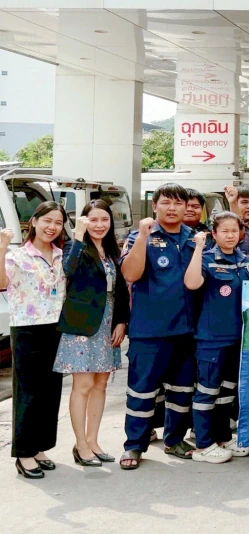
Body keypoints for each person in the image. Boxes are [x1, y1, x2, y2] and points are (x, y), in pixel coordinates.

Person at [118, 183, 198, 470]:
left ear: (186, 207)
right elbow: (130, 273)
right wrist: (142, 236)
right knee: (142, 390)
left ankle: (174, 439)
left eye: (178, 203)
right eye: (166, 202)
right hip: (148, 331)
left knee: (182, 390)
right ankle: (134, 444)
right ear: (154, 206)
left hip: (186, 330)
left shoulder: (194, 238)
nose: (172, 208)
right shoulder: (141, 236)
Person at [53, 200, 130, 467]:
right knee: (83, 386)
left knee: (100, 384)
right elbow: (68, 271)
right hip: (82, 324)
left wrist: (121, 321)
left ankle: (93, 441)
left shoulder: (113, 250)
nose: (99, 225)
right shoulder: (74, 247)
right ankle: (81, 445)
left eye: (104, 220)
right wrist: (78, 234)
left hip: (108, 323)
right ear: (84, 221)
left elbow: (120, 290)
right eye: (93, 220)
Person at [1, 202, 69, 480]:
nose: (52, 227)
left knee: (50, 392)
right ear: (34, 221)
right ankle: (24, 453)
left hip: (56, 327)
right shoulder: (17, 255)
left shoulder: (62, 255)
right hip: (27, 329)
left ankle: (40, 447)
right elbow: (1, 283)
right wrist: (1, 247)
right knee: (28, 392)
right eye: (47, 221)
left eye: (58, 222)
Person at [184, 212, 249, 463]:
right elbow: (192, 283)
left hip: (237, 338)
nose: (230, 235)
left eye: (234, 231)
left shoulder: (244, 261)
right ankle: (203, 444)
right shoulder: (205, 259)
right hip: (211, 338)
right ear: (214, 234)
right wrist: (198, 248)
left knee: (227, 391)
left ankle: (223, 437)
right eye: (224, 231)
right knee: (207, 390)